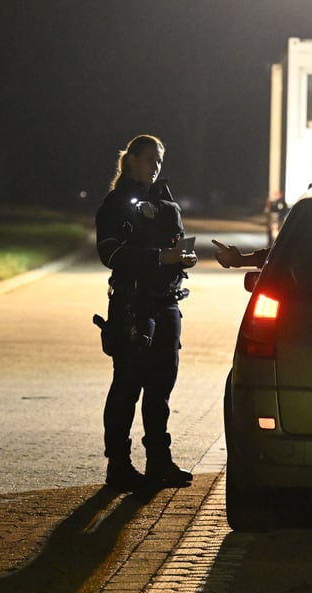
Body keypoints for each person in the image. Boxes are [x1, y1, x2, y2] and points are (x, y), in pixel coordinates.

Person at [95, 134, 197, 492]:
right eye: (150, 159)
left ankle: (159, 462)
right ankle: (118, 466)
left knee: (161, 386)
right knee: (127, 385)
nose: (155, 167)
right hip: (133, 304)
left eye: (160, 161)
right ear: (132, 159)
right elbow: (110, 253)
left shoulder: (164, 200)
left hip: (167, 302)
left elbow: (176, 242)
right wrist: (157, 257)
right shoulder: (117, 202)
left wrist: (183, 257)